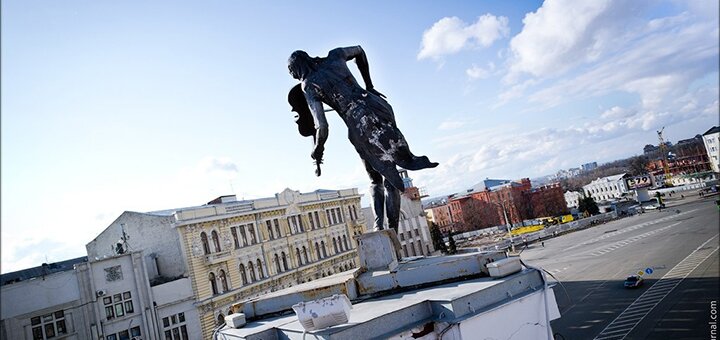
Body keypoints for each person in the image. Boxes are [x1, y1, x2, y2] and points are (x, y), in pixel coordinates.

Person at [287, 46, 438, 232]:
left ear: (297, 68)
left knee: (376, 179)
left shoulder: (309, 85)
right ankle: (392, 229)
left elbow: (323, 127)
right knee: (391, 169)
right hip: (378, 106)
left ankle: (380, 227)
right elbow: (359, 50)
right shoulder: (335, 57)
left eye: (291, 71)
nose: (292, 75)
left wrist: (318, 148)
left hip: (358, 123)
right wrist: (370, 85)